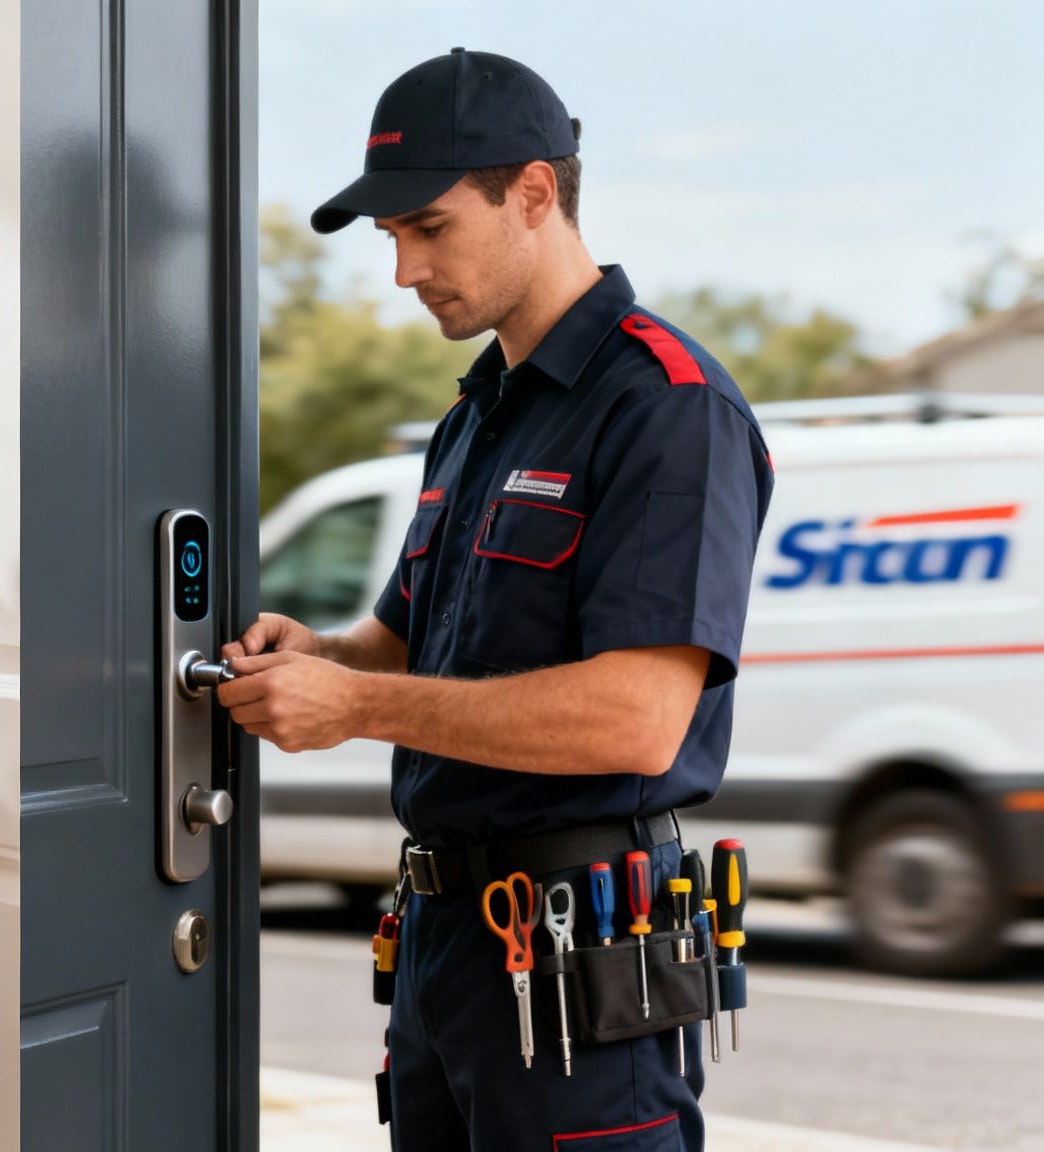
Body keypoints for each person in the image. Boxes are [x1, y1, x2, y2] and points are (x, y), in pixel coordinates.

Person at [216, 50, 773, 1150]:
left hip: (576, 956)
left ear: (530, 193)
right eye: (390, 240)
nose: (403, 270)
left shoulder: (666, 406)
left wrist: (355, 709)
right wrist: (320, 655)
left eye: (427, 229)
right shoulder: (476, 415)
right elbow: (407, 642)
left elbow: (634, 717)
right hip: (442, 947)